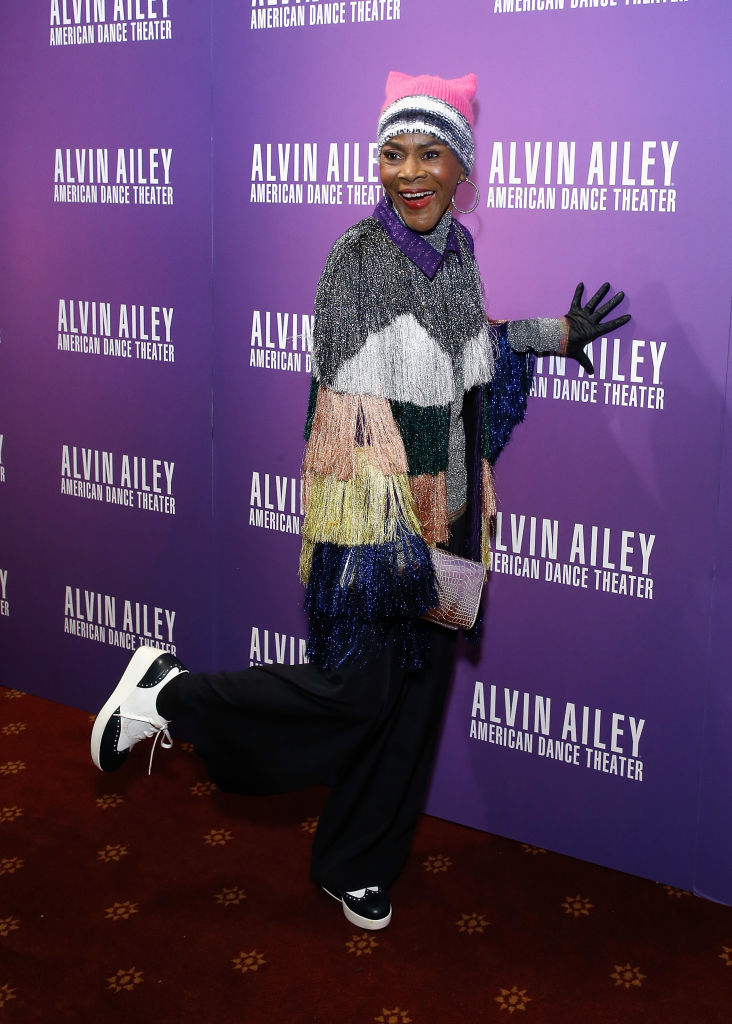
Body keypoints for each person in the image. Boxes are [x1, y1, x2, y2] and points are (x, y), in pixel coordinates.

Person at [90, 71, 630, 931]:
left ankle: (357, 861)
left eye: (429, 153)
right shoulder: (356, 259)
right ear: (377, 162)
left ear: (461, 168)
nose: (408, 171)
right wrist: (395, 538)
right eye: (393, 152)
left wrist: (552, 337)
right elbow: (340, 407)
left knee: (413, 711)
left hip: (451, 516)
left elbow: (468, 352)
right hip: (375, 525)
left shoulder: (459, 252)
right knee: (358, 693)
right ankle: (171, 695)